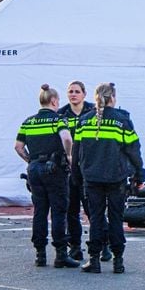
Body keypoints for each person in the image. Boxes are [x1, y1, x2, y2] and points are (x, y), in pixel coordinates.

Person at [74, 82, 144, 274]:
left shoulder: (84, 121)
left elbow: (76, 151)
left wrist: (76, 176)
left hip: (92, 178)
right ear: (113, 97)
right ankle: (118, 260)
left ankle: (94, 260)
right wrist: (139, 174)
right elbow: (134, 151)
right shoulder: (123, 121)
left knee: (96, 218)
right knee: (116, 218)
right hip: (116, 178)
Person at [14, 84, 78, 269]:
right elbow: (66, 138)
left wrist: (30, 161)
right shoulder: (58, 120)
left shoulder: (28, 122)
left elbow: (18, 146)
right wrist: (69, 156)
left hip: (34, 169)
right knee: (58, 211)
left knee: (40, 211)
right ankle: (60, 254)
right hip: (54, 169)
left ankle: (40, 254)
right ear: (54, 101)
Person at [58, 80, 95, 262]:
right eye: (70, 91)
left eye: (77, 91)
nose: (73, 94)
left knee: (92, 209)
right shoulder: (61, 114)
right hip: (68, 171)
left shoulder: (93, 112)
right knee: (71, 210)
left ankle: (101, 245)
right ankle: (75, 247)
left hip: (88, 169)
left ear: (84, 94)